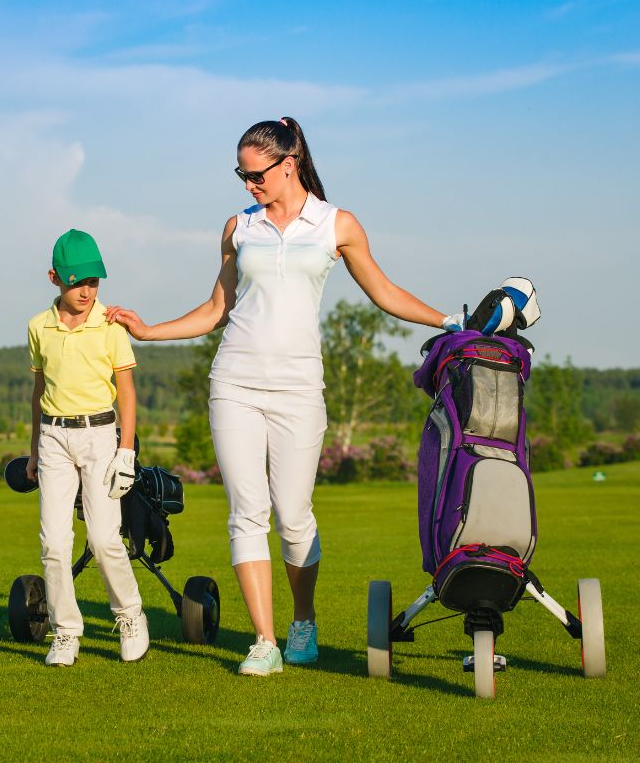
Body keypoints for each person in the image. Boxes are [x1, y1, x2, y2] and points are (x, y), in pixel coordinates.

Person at [107, 117, 461, 676]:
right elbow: (216, 309)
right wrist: (150, 331)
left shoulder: (335, 224)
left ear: (288, 164)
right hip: (235, 382)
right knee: (246, 513)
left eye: (255, 174)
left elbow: (385, 292)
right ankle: (265, 642)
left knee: (294, 517)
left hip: (299, 389)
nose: (248, 185)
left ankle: (302, 620)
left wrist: (452, 321)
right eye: (241, 175)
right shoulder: (237, 227)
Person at [26, 229, 150, 667]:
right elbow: (39, 389)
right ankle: (65, 632)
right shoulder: (38, 327)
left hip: (101, 435)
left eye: (94, 282)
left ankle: (130, 615)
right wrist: (34, 448)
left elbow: (127, 392)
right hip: (54, 438)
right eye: (78, 282)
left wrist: (127, 451)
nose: (86, 291)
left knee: (102, 538)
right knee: (55, 544)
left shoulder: (110, 325)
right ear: (55, 278)